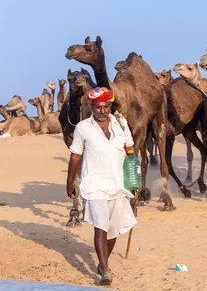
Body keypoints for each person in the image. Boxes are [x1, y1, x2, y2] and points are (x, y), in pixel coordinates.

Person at [66, 87, 136, 286]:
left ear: (111, 106)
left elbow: (130, 150)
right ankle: (105, 270)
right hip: (94, 183)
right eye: (98, 107)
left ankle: (102, 260)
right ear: (92, 107)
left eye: (106, 106)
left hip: (118, 183)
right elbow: (76, 155)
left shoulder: (121, 124)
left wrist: (135, 178)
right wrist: (70, 181)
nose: (102, 110)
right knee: (101, 227)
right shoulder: (82, 128)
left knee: (113, 229)